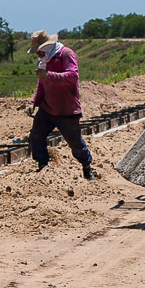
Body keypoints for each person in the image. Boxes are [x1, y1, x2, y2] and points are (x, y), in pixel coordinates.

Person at [27, 30, 95, 179]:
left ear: (47, 45)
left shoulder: (66, 54)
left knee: (75, 143)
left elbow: (73, 76)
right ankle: (43, 166)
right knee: (36, 137)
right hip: (47, 108)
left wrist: (50, 75)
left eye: (39, 50)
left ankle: (86, 167)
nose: (38, 54)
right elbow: (42, 85)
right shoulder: (43, 60)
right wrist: (34, 102)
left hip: (66, 109)